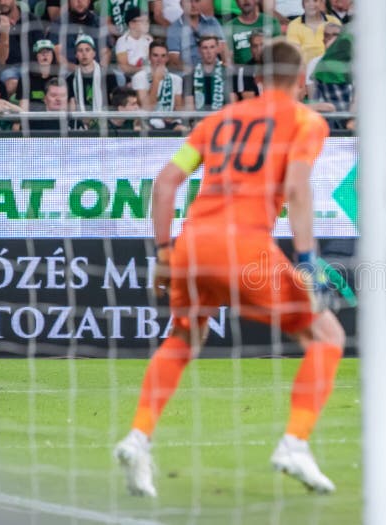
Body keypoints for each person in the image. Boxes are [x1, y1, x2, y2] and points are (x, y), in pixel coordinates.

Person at [114, 39, 344, 497]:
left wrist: (163, 254)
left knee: (184, 337)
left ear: (257, 79)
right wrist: (307, 261)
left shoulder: (218, 121)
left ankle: (138, 438)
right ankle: (295, 443)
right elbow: (297, 189)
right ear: (302, 81)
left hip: (192, 246)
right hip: (244, 247)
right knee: (328, 335)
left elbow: (165, 184)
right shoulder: (306, 121)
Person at [132, 39, 186, 130]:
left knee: (183, 129)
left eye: (163, 56)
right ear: (149, 57)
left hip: (169, 122)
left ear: (167, 58)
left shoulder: (176, 79)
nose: (159, 60)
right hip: (147, 121)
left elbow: (178, 109)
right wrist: (156, 80)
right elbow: (147, 107)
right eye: (155, 55)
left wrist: (172, 116)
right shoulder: (139, 77)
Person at [0, 0, 44, 97]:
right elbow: (0, 59)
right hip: (8, 68)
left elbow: (40, 47)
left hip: (31, 67)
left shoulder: (31, 19)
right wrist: (4, 33)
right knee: (11, 83)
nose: (2, 2)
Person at [167, 0, 227, 71]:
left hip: (214, 70)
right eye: (189, 2)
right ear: (181, 4)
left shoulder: (212, 22)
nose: (193, 5)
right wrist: (196, 73)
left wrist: (225, 66)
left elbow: (224, 49)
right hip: (188, 74)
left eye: (197, 1)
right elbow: (174, 61)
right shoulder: (174, 28)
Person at [183, 34, 235, 110]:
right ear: (199, 50)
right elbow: (189, 107)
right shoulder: (190, 76)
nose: (209, 51)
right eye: (205, 48)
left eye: (212, 47)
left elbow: (232, 104)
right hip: (199, 120)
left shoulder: (227, 73)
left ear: (217, 49)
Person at [285, 0, 341, 69]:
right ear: (303, 5)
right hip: (305, 71)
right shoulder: (294, 25)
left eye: (315, 1)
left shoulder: (334, 21)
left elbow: (339, 50)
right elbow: (295, 55)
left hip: (330, 68)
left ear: (321, 3)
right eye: (307, 1)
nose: (311, 4)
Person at [224, 0, 281, 65]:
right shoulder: (228, 27)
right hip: (242, 72)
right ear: (236, 2)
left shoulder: (271, 22)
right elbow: (228, 59)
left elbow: (279, 51)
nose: (246, 1)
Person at [18, 39, 58, 111]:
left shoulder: (59, 77)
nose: (45, 55)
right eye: (41, 52)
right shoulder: (25, 79)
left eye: (48, 52)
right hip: (32, 118)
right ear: (35, 56)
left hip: (54, 117)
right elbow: (23, 108)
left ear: (53, 56)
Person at [115, 7, 153, 78]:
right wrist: (144, 70)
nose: (147, 24)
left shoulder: (149, 39)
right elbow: (124, 67)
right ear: (131, 24)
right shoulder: (122, 41)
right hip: (129, 78)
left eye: (147, 21)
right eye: (143, 21)